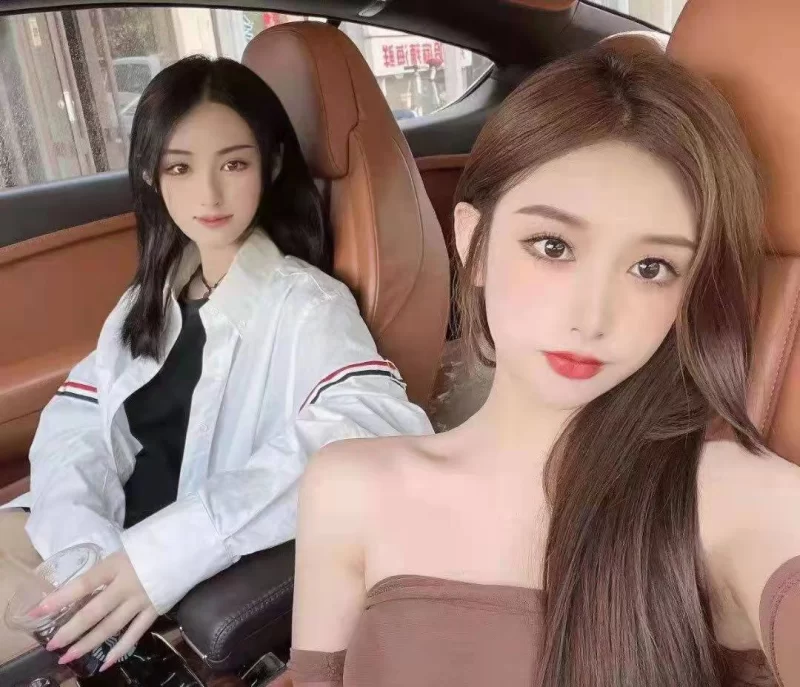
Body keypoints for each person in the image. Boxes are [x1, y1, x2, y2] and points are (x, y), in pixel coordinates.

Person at [287, 47, 800, 687]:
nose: (592, 317)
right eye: (552, 246)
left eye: (651, 268)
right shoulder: (346, 487)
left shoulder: (723, 499)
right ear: (473, 242)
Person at [0, 55, 432, 671]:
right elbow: (79, 421)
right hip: (80, 551)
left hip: (169, 586)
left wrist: (169, 551)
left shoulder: (305, 303)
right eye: (180, 167)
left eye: (234, 164)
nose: (208, 195)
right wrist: (83, 549)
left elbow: (375, 424)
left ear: (272, 165)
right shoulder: (150, 296)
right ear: (151, 174)